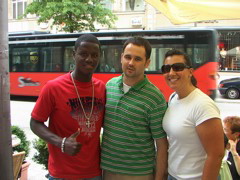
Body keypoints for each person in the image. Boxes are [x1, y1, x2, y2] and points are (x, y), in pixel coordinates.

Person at [30, 34, 106, 180]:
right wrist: (61, 142)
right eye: (83, 54)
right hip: (62, 174)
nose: (89, 59)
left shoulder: (101, 88)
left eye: (94, 55)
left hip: (94, 173)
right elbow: (35, 122)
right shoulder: (53, 87)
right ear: (73, 54)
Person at [101, 37, 168, 180]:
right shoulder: (109, 86)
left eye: (137, 59)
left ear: (147, 63)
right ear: (121, 58)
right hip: (107, 171)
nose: (131, 63)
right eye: (127, 57)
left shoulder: (155, 97)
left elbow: (162, 145)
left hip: (139, 175)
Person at [162, 49, 224, 180]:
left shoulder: (203, 105)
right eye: (166, 68)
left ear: (190, 72)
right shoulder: (174, 98)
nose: (171, 73)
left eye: (177, 67)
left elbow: (216, 155)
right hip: (173, 176)